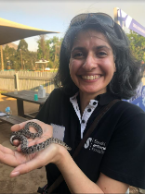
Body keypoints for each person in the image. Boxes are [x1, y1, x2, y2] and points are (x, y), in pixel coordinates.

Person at [0, 13, 145, 193]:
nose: (89, 64)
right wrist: (30, 151)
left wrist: (61, 155)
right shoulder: (56, 99)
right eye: (78, 54)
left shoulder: (132, 120)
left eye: (101, 53)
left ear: (116, 63)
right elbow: (36, 155)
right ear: (68, 62)